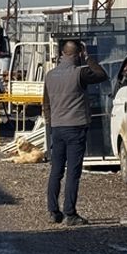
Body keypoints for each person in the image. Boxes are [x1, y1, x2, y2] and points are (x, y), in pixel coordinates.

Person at [41, 39, 109, 226]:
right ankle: (70, 213)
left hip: (57, 128)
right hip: (76, 127)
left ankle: (53, 211)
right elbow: (101, 75)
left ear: (62, 53)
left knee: (56, 171)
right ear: (78, 54)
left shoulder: (50, 75)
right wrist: (88, 57)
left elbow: (45, 103)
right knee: (73, 172)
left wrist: (51, 123)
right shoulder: (80, 72)